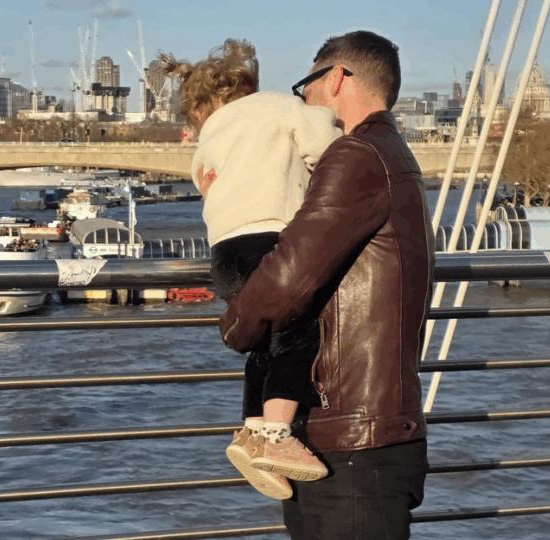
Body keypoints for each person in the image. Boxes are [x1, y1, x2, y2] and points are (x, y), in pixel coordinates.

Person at [218, 31, 434, 539]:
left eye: (306, 86)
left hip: (351, 443)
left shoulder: (355, 155)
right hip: (370, 432)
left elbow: (290, 274)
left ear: (337, 78)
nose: (304, 101)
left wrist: (236, 327)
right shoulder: (391, 152)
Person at [159, 39, 342, 500]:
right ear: (247, 84)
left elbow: (206, 184)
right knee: (297, 334)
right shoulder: (278, 106)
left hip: (225, 253)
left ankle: (252, 429)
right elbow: (328, 143)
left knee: (262, 339)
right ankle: (277, 437)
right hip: (271, 241)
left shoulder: (211, 135)